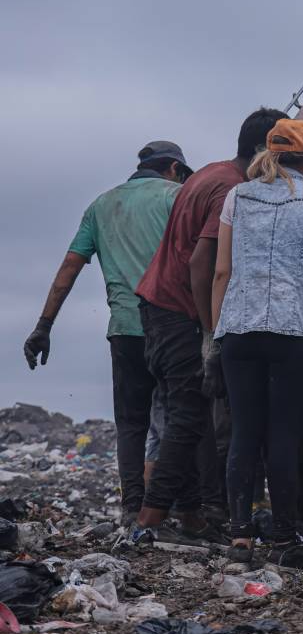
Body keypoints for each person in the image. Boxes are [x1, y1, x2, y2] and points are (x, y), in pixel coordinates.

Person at [126, 107, 286, 547]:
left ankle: (192, 516)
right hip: (179, 312)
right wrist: (209, 330)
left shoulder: (210, 173)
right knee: (188, 416)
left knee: (186, 414)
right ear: (262, 152)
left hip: (155, 306)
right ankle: (149, 518)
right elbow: (202, 263)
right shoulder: (232, 189)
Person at [24, 142, 189, 525]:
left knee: (132, 423)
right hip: (174, 326)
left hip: (124, 331)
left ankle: (133, 508)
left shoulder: (101, 205)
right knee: (182, 419)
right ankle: (179, 508)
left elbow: (70, 266)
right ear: (174, 169)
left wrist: (43, 326)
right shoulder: (177, 198)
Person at [210, 118, 303, 569]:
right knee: (284, 435)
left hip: (239, 328)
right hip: (295, 331)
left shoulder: (236, 197)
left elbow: (222, 272)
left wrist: (215, 332)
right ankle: (284, 540)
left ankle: (240, 539)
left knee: (245, 432)